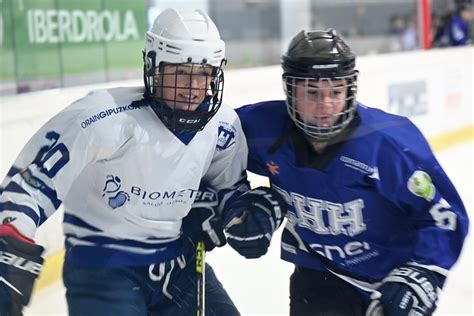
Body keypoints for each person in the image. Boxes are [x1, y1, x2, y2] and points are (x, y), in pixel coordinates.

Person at [0, 8, 249, 316]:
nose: (194, 87)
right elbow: (32, 181)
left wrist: (240, 214)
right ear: (153, 66)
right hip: (102, 270)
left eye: (204, 73)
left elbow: (230, 191)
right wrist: (11, 237)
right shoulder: (105, 116)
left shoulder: (222, 126)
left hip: (179, 267)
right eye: (182, 72)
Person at [222, 29, 469, 315]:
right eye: (312, 93)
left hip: (391, 283)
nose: (325, 105)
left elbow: (443, 216)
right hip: (320, 274)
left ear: (350, 89)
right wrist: (237, 201)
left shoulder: (387, 146)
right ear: (290, 91)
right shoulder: (262, 129)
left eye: (336, 91)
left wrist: (422, 273)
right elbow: (208, 151)